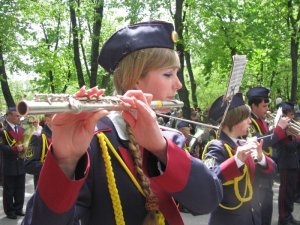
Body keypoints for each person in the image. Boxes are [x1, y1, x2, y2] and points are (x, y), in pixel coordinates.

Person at [22, 20, 223, 225]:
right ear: (135, 79)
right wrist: (65, 162)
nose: (178, 84)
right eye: (168, 74)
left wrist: (161, 149)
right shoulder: (94, 140)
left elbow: (207, 202)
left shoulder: (168, 138)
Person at [202, 93, 276, 225]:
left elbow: (273, 171)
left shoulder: (243, 144)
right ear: (234, 120)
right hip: (228, 219)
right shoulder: (216, 147)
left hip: (252, 216)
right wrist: (236, 161)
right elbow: (209, 180)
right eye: (246, 118)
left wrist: (261, 158)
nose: (250, 121)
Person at [246, 86, 290, 225]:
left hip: (267, 172)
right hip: (257, 175)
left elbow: (271, 143)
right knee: (260, 216)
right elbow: (259, 143)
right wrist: (278, 130)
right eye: (264, 106)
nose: (267, 109)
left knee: (267, 213)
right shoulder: (249, 122)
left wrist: (285, 134)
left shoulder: (261, 120)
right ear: (253, 105)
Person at [275, 102, 300, 225]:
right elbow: (290, 146)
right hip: (286, 164)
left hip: (293, 163)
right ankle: (283, 218)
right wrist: (298, 138)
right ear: (284, 114)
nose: (293, 117)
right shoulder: (282, 128)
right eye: (291, 114)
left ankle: (288, 215)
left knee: (290, 192)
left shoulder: (289, 127)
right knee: (285, 193)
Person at [0, 106, 26, 219]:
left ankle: (18, 208)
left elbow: (27, 144)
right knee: (9, 190)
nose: (19, 117)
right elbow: (2, 147)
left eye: (19, 115)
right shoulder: (3, 131)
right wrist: (15, 149)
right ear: (8, 115)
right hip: (9, 164)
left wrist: (26, 148)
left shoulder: (22, 130)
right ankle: (10, 211)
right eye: (16, 115)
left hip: (20, 164)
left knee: (20, 188)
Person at [25, 114, 53, 189]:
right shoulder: (38, 137)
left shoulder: (62, 135)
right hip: (45, 186)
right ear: (47, 120)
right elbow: (28, 165)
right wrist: (50, 165)